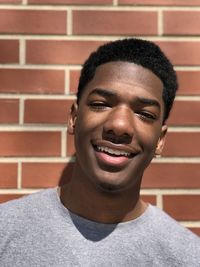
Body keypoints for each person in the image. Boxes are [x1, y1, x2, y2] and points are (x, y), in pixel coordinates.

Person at [0, 38, 199, 267]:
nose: (120, 125)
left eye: (145, 114)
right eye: (101, 104)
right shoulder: (5, 230)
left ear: (160, 141)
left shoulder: (188, 257)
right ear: (74, 119)